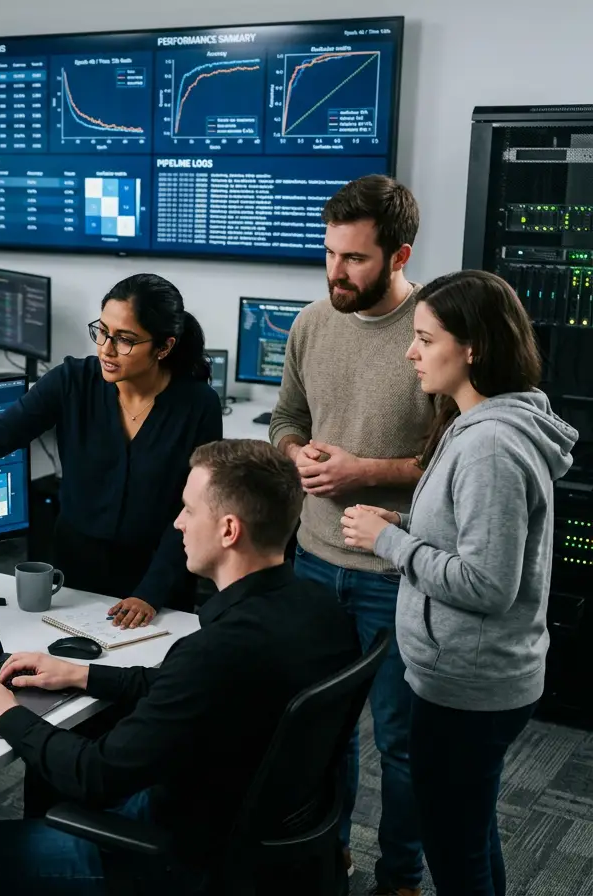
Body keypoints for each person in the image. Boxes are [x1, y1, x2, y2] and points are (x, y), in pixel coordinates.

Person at [0, 439, 360, 894]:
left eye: (189, 510)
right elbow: (189, 688)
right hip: (258, 826)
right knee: (50, 773)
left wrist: (4, 713)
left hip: (180, 856)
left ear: (229, 530)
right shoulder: (322, 611)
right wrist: (81, 675)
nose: (178, 523)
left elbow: (95, 774)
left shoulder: (216, 652)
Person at [341, 271, 576, 896]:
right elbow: (472, 536)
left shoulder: (490, 446)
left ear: (471, 346)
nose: (411, 352)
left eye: (424, 338)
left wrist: (387, 542)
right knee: (469, 835)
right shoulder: (480, 425)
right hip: (474, 679)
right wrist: (406, 522)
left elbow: (486, 584)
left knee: (455, 854)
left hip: (469, 688)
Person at [0, 272, 221, 626]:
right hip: (78, 572)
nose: (106, 350)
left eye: (125, 340)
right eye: (103, 332)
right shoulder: (73, 381)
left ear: (164, 347)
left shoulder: (197, 405)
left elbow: (195, 509)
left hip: (159, 579)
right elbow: (2, 430)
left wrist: (151, 593)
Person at [268, 174, 433, 895]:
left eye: (354, 259)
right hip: (312, 563)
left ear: (397, 256)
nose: (336, 272)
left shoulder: (438, 332)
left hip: (394, 574)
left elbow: (456, 460)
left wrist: (366, 471)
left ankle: (399, 879)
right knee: (317, 731)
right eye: (330, 254)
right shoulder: (311, 323)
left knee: (400, 744)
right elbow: (285, 419)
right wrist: (294, 452)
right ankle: (326, 855)